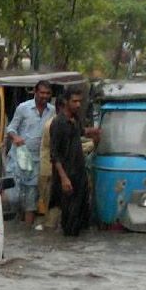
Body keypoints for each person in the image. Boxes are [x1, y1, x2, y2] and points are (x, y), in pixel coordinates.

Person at [50, 86, 99, 237]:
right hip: (67, 178)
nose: (78, 105)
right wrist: (64, 178)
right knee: (70, 219)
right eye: (74, 101)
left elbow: (80, 132)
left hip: (79, 175)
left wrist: (94, 132)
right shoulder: (58, 123)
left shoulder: (75, 119)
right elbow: (54, 154)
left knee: (82, 218)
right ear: (65, 101)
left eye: (80, 101)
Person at [6, 80, 55, 226]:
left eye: (47, 93)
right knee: (12, 197)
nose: (44, 96)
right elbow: (10, 129)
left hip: (37, 161)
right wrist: (15, 137)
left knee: (31, 201)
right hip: (18, 159)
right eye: (42, 93)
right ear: (35, 92)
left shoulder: (52, 111)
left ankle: (27, 231)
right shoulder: (23, 108)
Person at [38, 96, 65, 230]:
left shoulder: (63, 123)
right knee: (52, 210)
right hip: (50, 171)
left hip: (53, 170)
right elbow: (62, 148)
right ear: (61, 108)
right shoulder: (53, 125)